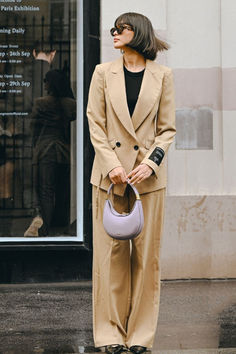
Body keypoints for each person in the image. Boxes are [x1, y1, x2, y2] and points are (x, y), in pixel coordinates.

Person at [87, 11, 176, 354]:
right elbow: (95, 123)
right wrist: (111, 165)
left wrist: (151, 164)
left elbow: (166, 130)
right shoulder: (102, 74)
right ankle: (109, 335)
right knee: (109, 259)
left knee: (146, 258)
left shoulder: (162, 75)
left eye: (120, 28)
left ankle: (139, 336)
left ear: (136, 32)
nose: (114, 33)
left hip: (147, 181)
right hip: (109, 180)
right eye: (114, 29)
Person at [24, 69, 76, 237]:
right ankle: (58, 223)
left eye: (46, 80)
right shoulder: (70, 103)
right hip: (63, 150)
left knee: (46, 190)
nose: (44, 84)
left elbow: (32, 128)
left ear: (50, 84)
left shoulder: (41, 103)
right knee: (62, 189)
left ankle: (44, 228)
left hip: (45, 149)